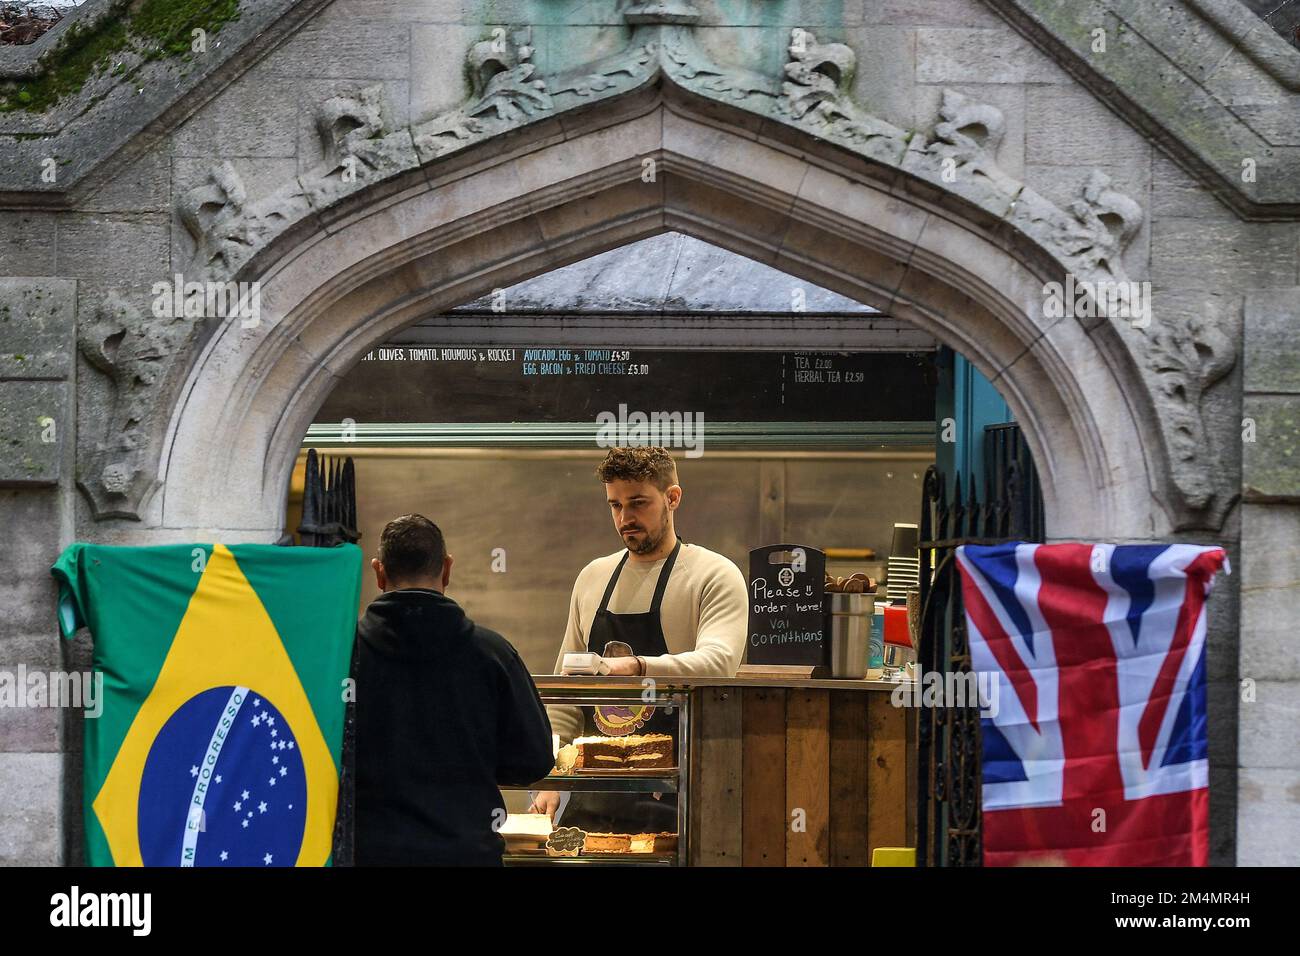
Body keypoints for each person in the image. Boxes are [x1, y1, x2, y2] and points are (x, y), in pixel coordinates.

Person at [528, 447, 747, 828]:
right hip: (594, 796)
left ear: (673, 498)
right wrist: (551, 775)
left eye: (638, 503)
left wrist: (636, 666)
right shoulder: (593, 577)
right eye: (615, 505)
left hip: (679, 795)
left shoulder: (713, 575)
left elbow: (719, 663)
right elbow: (566, 695)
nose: (625, 518)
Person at [355, 514, 554, 865]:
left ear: (379, 572)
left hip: (369, 854)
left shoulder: (342, 655)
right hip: (466, 854)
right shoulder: (492, 653)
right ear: (447, 569)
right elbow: (533, 761)